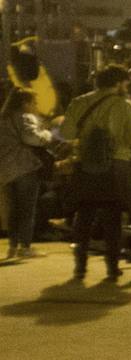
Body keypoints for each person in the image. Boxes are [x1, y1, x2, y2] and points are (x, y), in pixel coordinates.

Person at [60, 67, 131, 281]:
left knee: (84, 215)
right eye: (126, 83)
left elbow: (66, 133)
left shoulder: (79, 102)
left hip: (85, 165)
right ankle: (112, 267)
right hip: (115, 166)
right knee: (112, 218)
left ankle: (80, 267)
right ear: (119, 83)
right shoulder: (125, 105)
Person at [0, 88, 54, 259]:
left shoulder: (3, 119)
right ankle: (25, 247)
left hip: (6, 171)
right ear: (25, 103)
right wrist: (47, 134)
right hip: (25, 167)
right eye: (34, 102)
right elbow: (32, 138)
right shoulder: (25, 117)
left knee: (13, 210)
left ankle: (12, 247)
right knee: (27, 210)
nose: (35, 106)